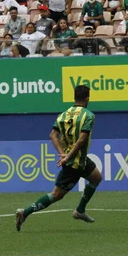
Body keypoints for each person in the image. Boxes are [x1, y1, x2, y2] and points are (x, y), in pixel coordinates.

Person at [15, 85, 101, 231]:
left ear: (74, 97)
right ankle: (25, 213)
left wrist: (63, 152)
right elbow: (81, 140)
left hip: (79, 160)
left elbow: (53, 135)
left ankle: (80, 210)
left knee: (96, 178)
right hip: (74, 162)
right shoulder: (89, 116)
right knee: (56, 195)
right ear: (87, 98)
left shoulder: (63, 115)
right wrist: (68, 156)